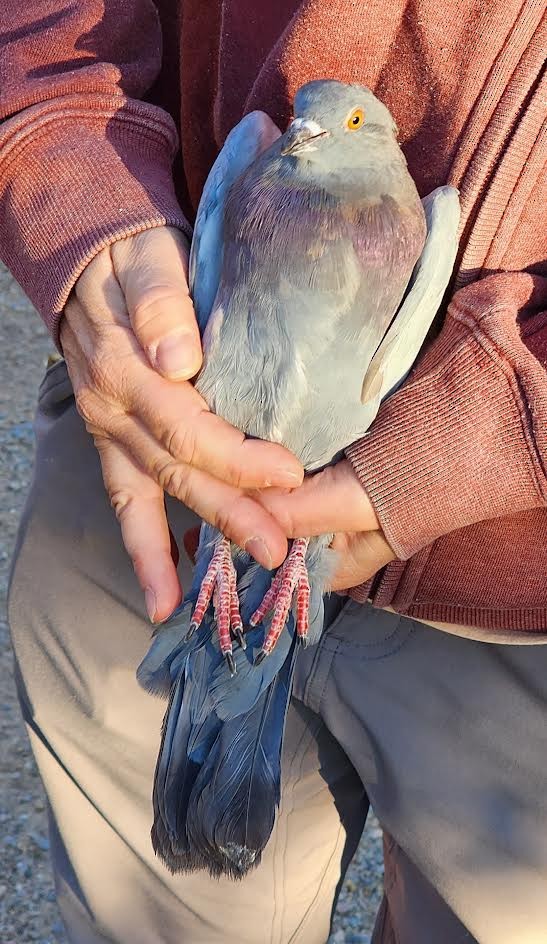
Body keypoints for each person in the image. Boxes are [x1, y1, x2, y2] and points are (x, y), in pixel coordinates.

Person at [1, 1, 546, 941]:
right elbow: (49, 34)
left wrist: (503, 431)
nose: (306, 138)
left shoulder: (419, 226)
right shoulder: (260, 167)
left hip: (505, 590)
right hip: (157, 474)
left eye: (337, 130)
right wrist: (77, 187)